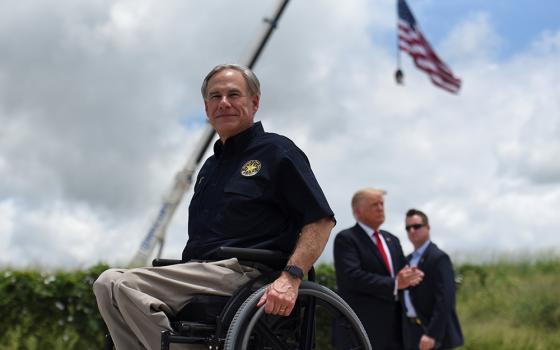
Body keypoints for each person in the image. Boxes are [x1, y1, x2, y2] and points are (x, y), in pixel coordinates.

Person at [93, 64, 336, 350]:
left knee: (117, 283)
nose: (224, 103)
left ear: (254, 102)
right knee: (107, 287)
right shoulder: (209, 168)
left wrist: (291, 277)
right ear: (206, 108)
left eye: (234, 94)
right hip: (200, 272)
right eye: (215, 96)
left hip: (246, 273)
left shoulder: (277, 152)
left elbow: (320, 221)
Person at [333, 188, 423, 350]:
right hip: (362, 329)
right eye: (374, 204)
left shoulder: (392, 240)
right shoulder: (346, 239)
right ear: (358, 212)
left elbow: (402, 273)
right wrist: (395, 284)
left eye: (382, 203)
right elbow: (352, 277)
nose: (381, 208)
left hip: (397, 330)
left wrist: (411, 276)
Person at [401, 209, 463, 350]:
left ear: (427, 228)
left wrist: (432, 334)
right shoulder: (407, 260)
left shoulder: (439, 258)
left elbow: (446, 299)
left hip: (432, 334)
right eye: (408, 228)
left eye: (416, 226)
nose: (412, 231)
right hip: (411, 332)